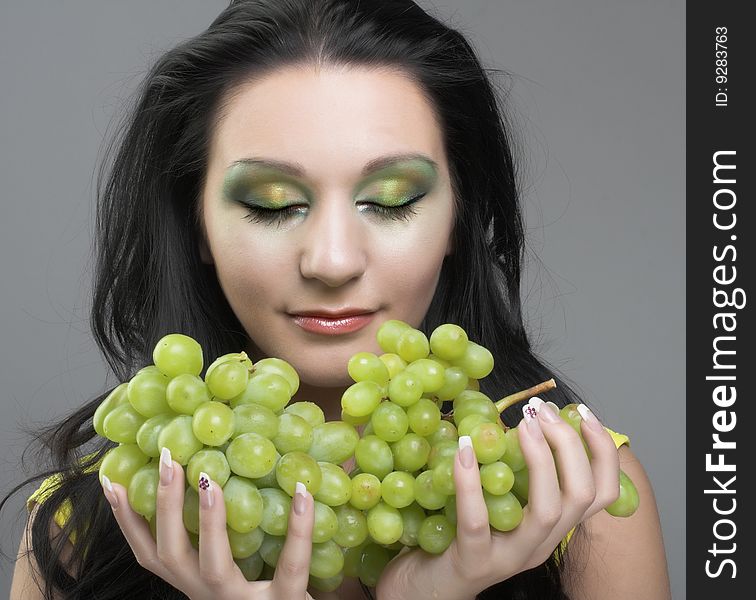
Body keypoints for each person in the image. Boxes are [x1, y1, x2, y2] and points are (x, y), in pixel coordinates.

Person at [5, 0, 671, 598]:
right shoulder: (83, 525)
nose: (331, 261)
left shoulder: (579, 497)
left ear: (457, 221)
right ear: (197, 224)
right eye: (273, 207)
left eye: (390, 202)